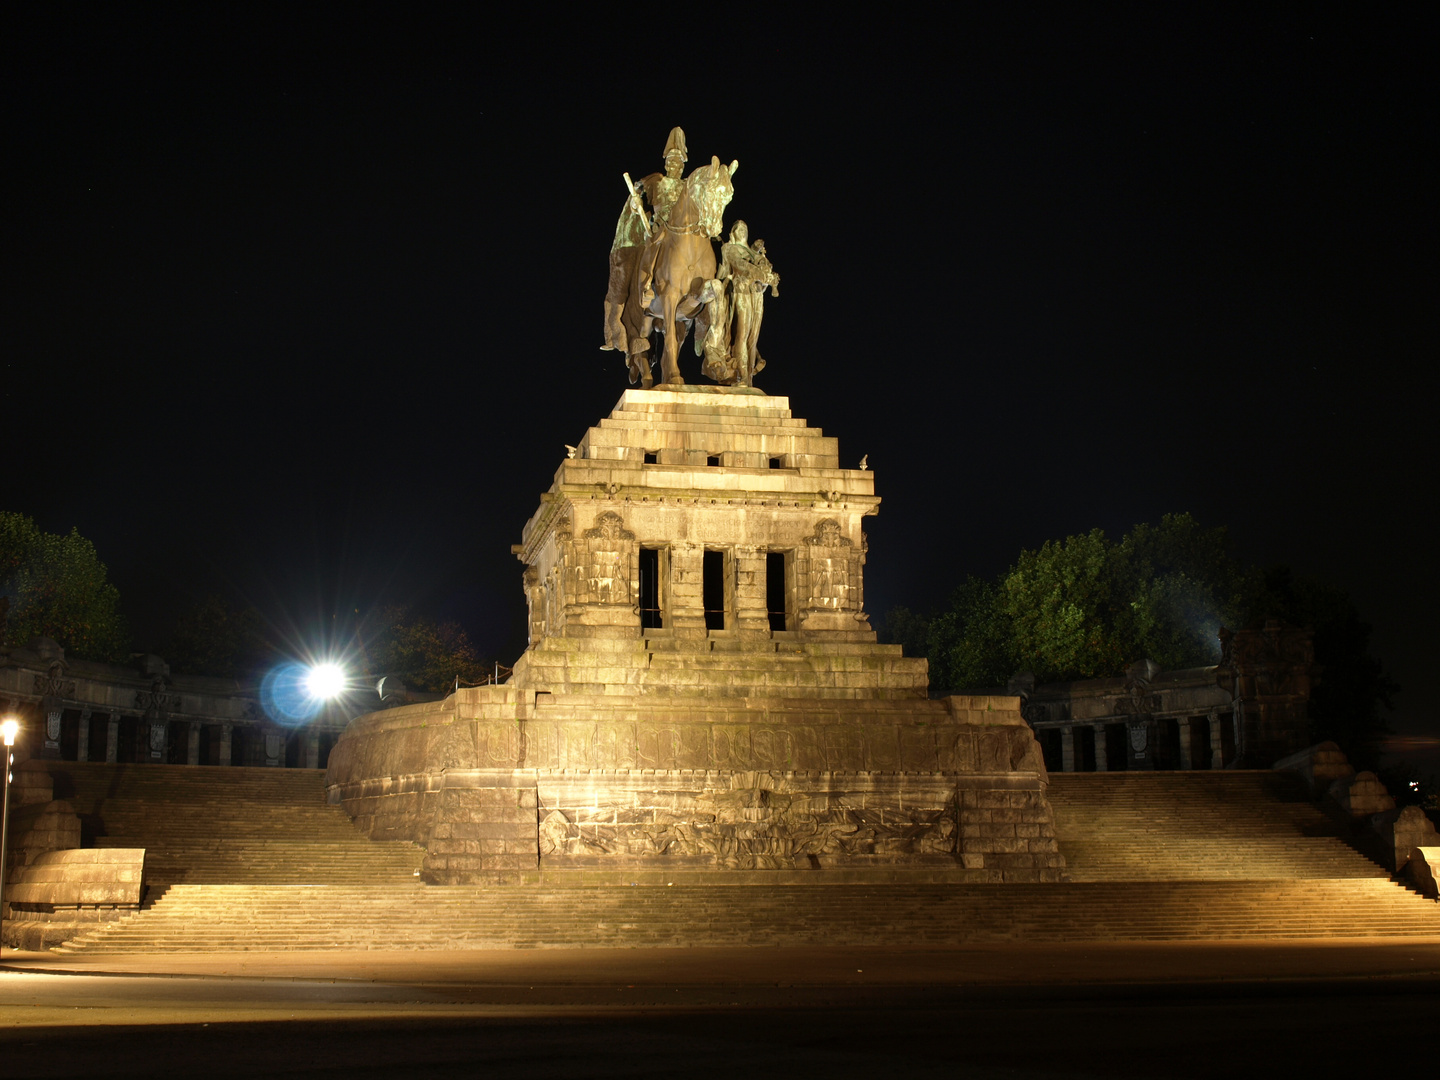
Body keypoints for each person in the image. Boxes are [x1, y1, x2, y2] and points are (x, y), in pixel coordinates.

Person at [602, 127, 688, 363]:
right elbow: (636, 197)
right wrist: (634, 202)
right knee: (654, 245)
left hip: (684, 232)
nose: (675, 165)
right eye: (671, 160)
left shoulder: (688, 186)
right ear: (666, 162)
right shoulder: (656, 181)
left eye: (679, 161)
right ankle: (647, 285)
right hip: (660, 228)